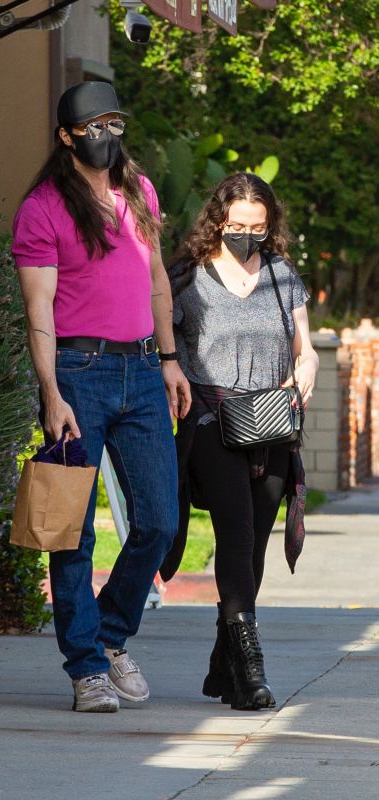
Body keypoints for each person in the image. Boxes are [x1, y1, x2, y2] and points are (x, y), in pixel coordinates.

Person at [12, 81, 191, 713]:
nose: (107, 134)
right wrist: (52, 393)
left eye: (115, 121)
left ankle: (111, 636)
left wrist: (170, 360)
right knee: (72, 528)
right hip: (77, 374)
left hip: (143, 371)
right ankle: (86, 667)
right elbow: (39, 310)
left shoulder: (140, 192)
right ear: (67, 136)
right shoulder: (43, 208)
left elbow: (157, 282)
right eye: (94, 125)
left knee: (161, 521)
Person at [163, 172, 318, 711]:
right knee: (236, 531)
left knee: (254, 546)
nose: (246, 236)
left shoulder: (282, 276)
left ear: (270, 225)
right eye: (235, 226)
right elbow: (164, 340)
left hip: (271, 420)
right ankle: (251, 668)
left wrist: (308, 366)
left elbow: (305, 345)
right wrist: (172, 375)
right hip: (210, 417)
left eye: (257, 227)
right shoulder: (187, 277)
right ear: (217, 221)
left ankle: (223, 662)